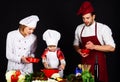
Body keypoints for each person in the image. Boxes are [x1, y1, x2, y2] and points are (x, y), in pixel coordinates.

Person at [73, 1, 116, 82]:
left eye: (88, 18)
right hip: (84, 65)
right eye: (83, 18)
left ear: (94, 16)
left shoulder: (103, 28)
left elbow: (112, 48)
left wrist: (94, 46)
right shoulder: (79, 28)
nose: (85, 20)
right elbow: (75, 44)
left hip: (98, 64)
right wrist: (79, 50)